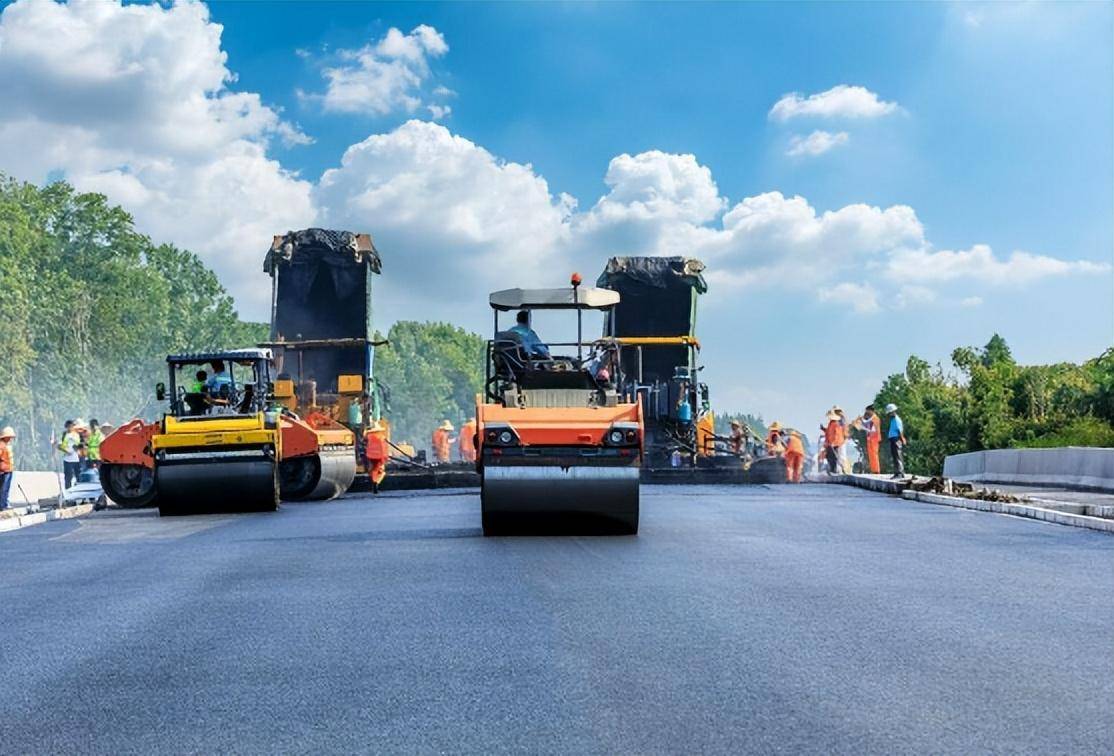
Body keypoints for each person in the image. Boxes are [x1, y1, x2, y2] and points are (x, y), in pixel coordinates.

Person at [852, 405, 882, 474]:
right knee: (871, 455)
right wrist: (859, 421)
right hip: (870, 438)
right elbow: (865, 423)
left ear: (871, 411)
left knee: (874, 455)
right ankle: (873, 470)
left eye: (867, 411)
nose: (866, 412)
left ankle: (876, 470)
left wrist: (863, 428)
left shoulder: (875, 419)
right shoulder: (871, 419)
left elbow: (873, 430)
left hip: (874, 438)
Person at [364, 421, 389, 493]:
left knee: (373, 470)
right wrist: (386, 456)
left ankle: (374, 482)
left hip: (371, 456)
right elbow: (384, 447)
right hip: (380, 456)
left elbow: (366, 444)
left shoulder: (369, 437)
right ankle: (376, 483)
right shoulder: (381, 437)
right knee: (381, 471)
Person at [59, 419, 83, 489]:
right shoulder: (65, 435)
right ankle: (68, 491)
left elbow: (78, 445)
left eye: (71, 426)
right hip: (67, 459)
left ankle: (78, 490)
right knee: (68, 477)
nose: (69, 428)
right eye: (68, 427)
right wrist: (65, 450)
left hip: (76, 459)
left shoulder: (76, 435)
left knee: (78, 476)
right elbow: (62, 446)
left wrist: (75, 448)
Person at [886, 403, 906, 479]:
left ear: (893, 411)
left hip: (896, 439)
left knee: (898, 455)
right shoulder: (893, 420)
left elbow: (900, 430)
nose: (889, 414)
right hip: (893, 439)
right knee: (895, 456)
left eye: (890, 412)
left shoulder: (897, 420)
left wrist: (902, 438)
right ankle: (897, 473)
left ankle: (900, 473)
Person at [823, 410, 845, 474]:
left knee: (834, 457)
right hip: (830, 443)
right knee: (829, 456)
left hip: (835, 443)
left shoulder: (836, 424)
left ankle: (834, 469)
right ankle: (832, 469)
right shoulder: (830, 423)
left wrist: (833, 443)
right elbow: (828, 432)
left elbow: (837, 434)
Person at [0, 426, 15, 511]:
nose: (10, 439)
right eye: (9, 437)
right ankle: (3, 505)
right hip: (5, 470)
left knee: (4, 488)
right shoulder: (1, 445)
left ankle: (4, 504)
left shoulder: (5, 445)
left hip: (7, 469)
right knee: (4, 489)